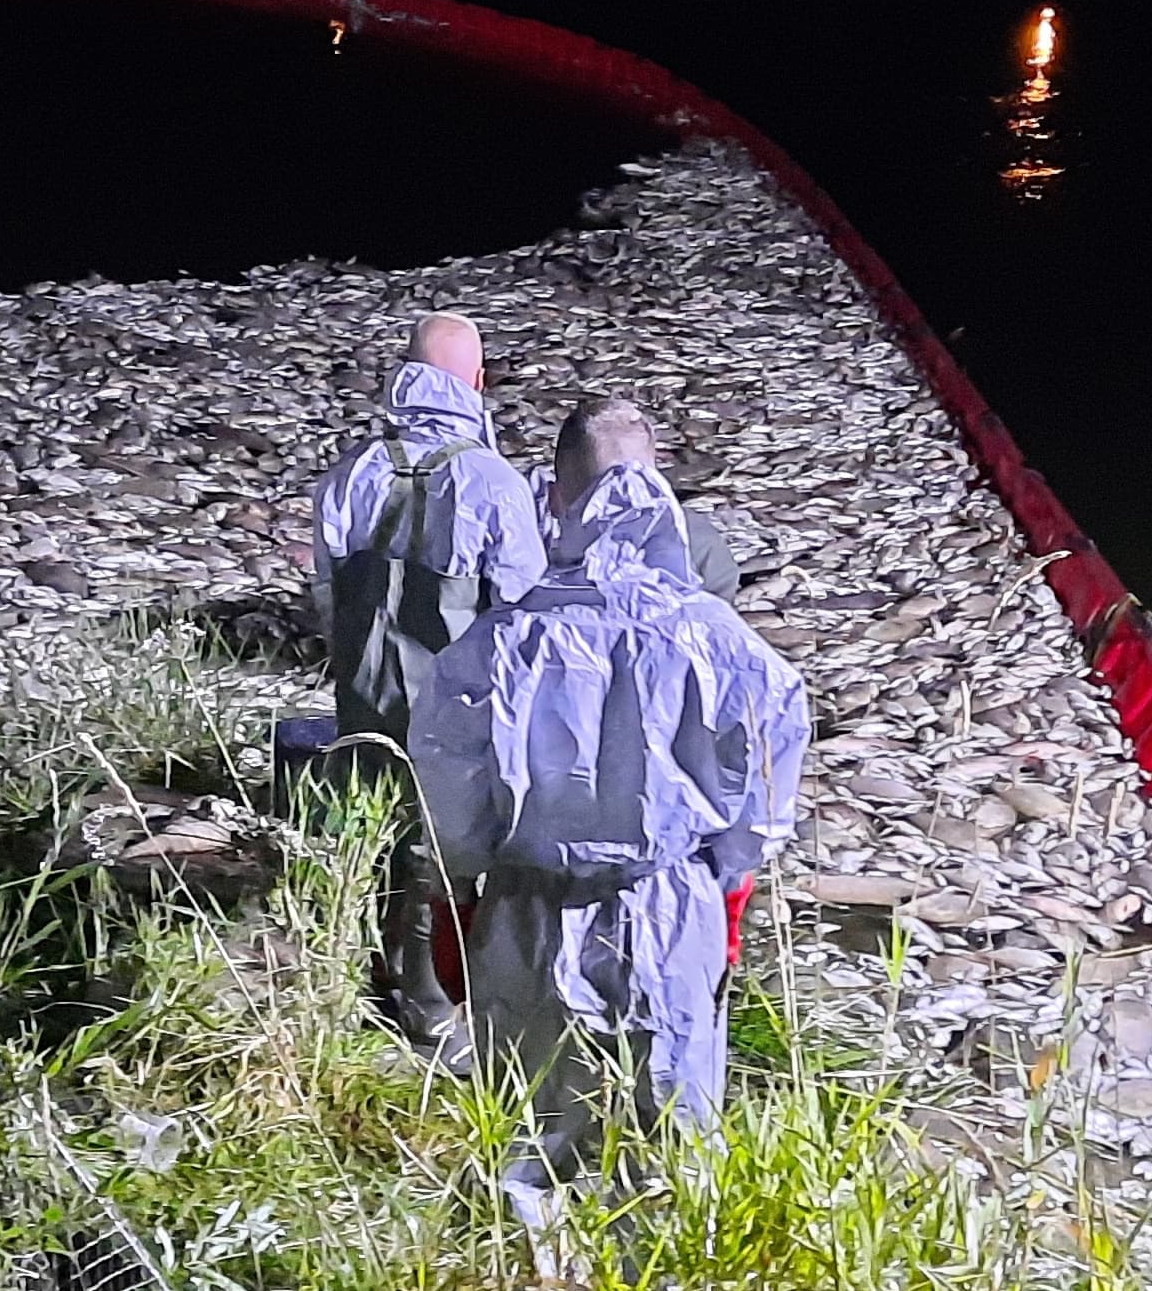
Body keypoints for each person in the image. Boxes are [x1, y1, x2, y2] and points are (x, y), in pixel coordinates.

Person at [413, 397, 809, 1221]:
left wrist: (455, 908)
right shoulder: (727, 644)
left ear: (555, 497)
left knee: (527, 1137)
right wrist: (728, 902)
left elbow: (449, 802)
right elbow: (760, 812)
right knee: (670, 1146)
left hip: (527, 912)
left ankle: (534, 1286)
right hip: (673, 909)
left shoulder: (500, 641)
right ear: (660, 489)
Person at [310, 312, 546, 1038]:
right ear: (477, 382)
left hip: (364, 691)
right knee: (444, 840)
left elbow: (326, 594)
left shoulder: (351, 473)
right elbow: (524, 612)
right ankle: (430, 1000)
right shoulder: (493, 482)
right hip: (456, 701)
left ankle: (356, 967)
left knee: (365, 821)